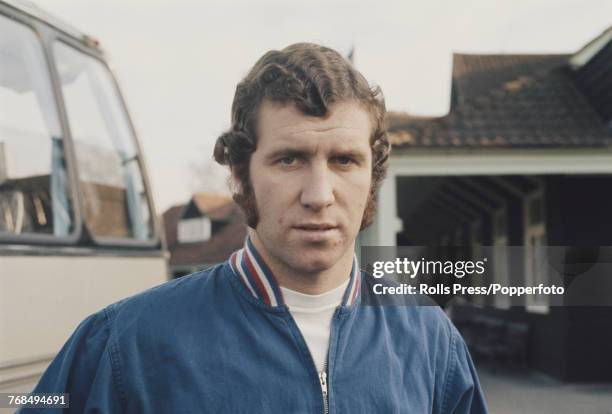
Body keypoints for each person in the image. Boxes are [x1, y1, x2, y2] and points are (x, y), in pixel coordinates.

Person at [28, 43, 488, 413]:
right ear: (238, 175)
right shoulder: (123, 343)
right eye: (289, 159)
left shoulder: (431, 342)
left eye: (345, 161)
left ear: (372, 176)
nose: (319, 194)